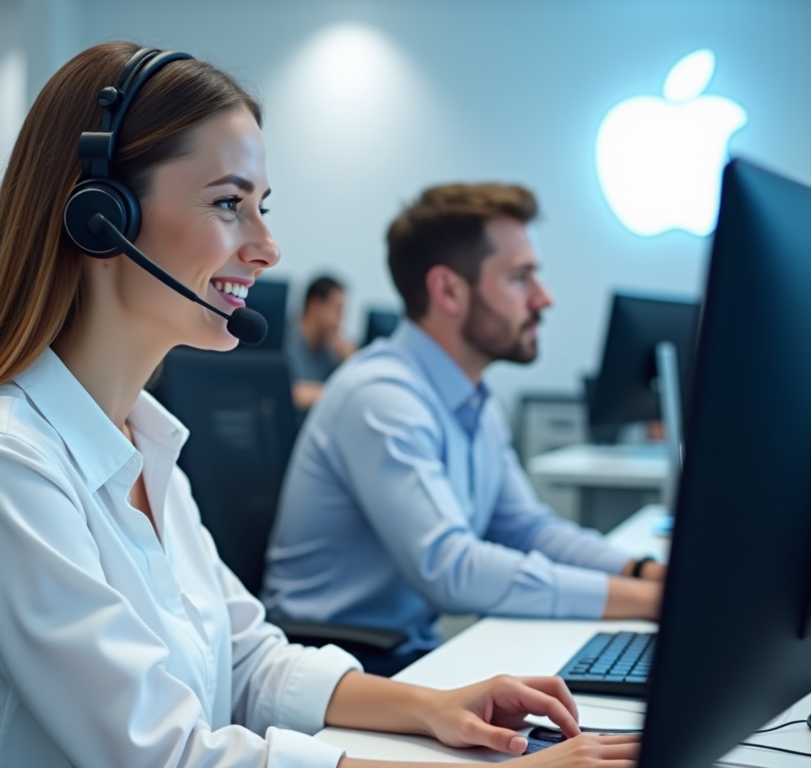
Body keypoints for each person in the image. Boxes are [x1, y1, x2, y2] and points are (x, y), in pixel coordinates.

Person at [0, 46, 637, 768]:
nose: (267, 248)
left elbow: (248, 660)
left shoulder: (143, 444)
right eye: (231, 204)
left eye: (262, 205)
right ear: (100, 219)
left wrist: (434, 707)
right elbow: (166, 754)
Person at [263, 183, 666, 677]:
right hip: (340, 663)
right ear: (449, 290)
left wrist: (643, 571)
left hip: (402, 652)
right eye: (521, 278)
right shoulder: (382, 396)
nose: (544, 298)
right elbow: (451, 569)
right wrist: (645, 601)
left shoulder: (474, 398)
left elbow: (527, 528)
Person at [285, 275, 356, 410]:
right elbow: (292, 392)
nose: (341, 320)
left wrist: (351, 357)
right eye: (338, 310)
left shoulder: (329, 349)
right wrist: (339, 393)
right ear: (315, 305)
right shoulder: (287, 338)